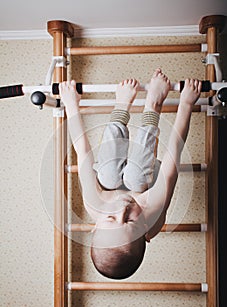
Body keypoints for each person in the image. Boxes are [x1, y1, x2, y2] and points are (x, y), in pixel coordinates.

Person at [59, 69, 202, 280]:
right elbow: (173, 156)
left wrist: (71, 104)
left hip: (111, 181)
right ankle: (153, 103)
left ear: (94, 227)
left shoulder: (94, 204)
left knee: (107, 176)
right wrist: (186, 104)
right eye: (129, 221)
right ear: (145, 232)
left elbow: (83, 152)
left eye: (110, 218)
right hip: (148, 181)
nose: (122, 209)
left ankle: (121, 106)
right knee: (135, 178)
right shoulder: (152, 211)